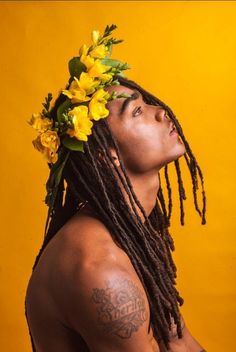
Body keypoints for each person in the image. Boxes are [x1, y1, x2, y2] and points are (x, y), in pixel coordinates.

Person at [25, 25, 207, 352]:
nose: (161, 112)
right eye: (137, 111)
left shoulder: (132, 235)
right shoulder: (100, 266)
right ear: (107, 157)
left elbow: (181, 344)